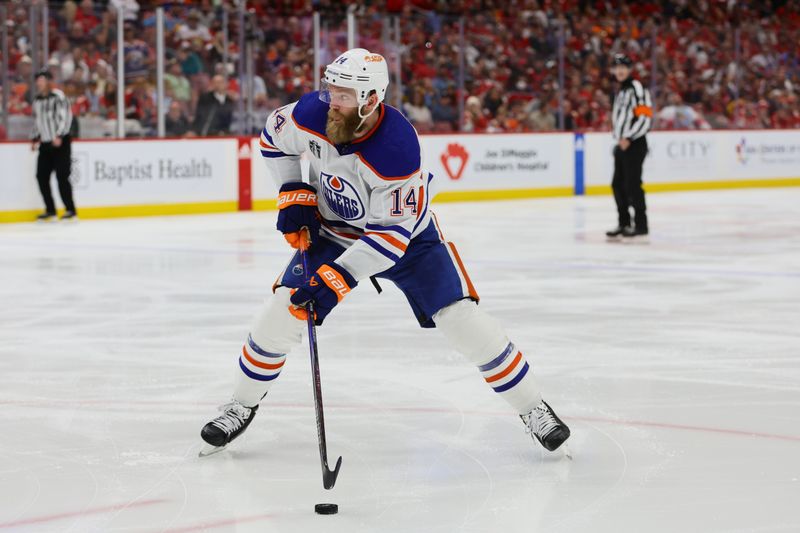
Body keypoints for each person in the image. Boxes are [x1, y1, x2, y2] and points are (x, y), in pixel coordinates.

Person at [199, 48, 571, 457]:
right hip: (332, 232)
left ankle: (534, 408)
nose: (330, 102)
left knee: (461, 318)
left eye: (342, 96)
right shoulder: (310, 112)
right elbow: (273, 137)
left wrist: (335, 282)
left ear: (371, 100)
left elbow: (388, 240)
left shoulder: (397, 149)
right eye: (330, 90)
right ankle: (241, 404)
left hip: (408, 241)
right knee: (281, 311)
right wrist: (292, 190)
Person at [606, 54, 652, 240]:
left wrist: (629, 137)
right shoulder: (621, 91)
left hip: (634, 143)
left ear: (630, 69)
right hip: (622, 144)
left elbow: (645, 116)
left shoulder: (637, 88)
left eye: (623, 67)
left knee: (633, 185)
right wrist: (618, 138)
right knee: (618, 184)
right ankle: (624, 222)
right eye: (616, 67)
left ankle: (641, 225)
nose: (619, 71)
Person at [31, 69, 77, 221]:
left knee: (62, 176)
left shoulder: (58, 97)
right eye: (38, 81)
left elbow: (66, 117)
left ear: (49, 82)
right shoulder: (37, 101)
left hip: (60, 143)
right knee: (41, 176)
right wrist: (34, 138)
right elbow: (38, 121)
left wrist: (60, 135)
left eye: (42, 80)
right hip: (45, 143)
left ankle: (70, 209)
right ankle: (50, 209)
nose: (39, 83)